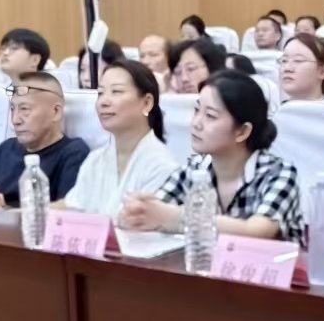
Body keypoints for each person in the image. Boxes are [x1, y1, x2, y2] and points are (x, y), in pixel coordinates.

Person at [120, 72, 302, 243]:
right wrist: (137, 213)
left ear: (242, 131)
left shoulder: (279, 173)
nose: (196, 123)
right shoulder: (194, 168)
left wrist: (176, 218)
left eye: (210, 116)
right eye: (196, 111)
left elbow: (257, 231)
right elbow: (155, 210)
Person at [0, 72, 87, 207]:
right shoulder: (5, 149)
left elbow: (67, 210)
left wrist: (1, 211)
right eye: (13, 109)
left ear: (56, 112)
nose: (15, 120)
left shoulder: (73, 153)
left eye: (24, 109)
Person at [57, 60, 177, 216]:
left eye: (116, 91)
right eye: (100, 93)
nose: (103, 102)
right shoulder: (95, 160)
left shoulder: (161, 166)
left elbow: (139, 223)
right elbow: (72, 206)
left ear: (147, 103)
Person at [279, 33, 324, 102]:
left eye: (298, 60)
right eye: (284, 60)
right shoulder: (279, 107)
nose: (287, 68)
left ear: (322, 71)